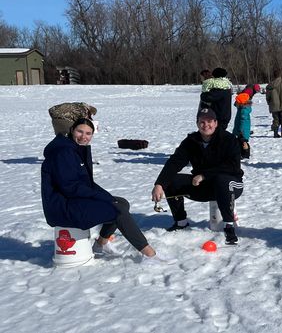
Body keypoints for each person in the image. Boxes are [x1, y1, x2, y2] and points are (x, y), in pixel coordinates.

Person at [41, 118, 170, 263]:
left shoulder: (74, 148)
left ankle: (100, 244)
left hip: (71, 200)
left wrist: (107, 197)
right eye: (80, 131)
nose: (84, 137)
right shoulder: (64, 152)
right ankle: (149, 254)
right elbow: (70, 187)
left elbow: (86, 184)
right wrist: (106, 199)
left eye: (88, 133)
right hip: (62, 207)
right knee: (117, 210)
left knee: (121, 203)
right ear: (72, 130)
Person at [151, 108, 244, 245]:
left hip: (231, 184)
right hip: (204, 187)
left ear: (216, 123)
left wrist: (205, 175)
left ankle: (229, 226)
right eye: (202, 122)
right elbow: (175, 162)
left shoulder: (228, 139)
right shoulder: (191, 141)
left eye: (210, 121)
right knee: (171, 181)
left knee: (221, 180)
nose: (206, 125)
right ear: (197, 123)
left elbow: (232, 167)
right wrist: (159, 184)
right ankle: (181, 222)